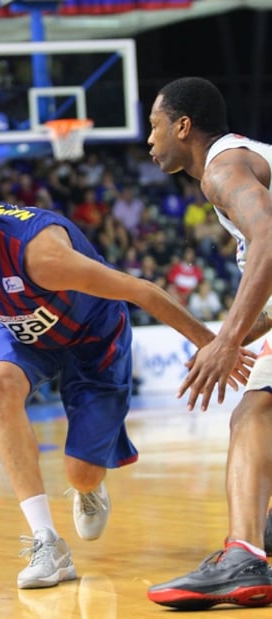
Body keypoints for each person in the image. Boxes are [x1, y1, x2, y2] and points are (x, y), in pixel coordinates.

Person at [0, 163, 252, 591]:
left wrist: (214, 343)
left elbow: (140, 290)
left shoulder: (42, 256)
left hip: (92, 338)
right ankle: (46, 542)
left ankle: (88, 486)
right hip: (25, 334)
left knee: (81, 473)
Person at [146, 76, 272, 609]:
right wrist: (230, 337)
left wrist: (229, 340)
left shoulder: (222, 168)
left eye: (154, 127)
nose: (149, 141)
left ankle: (243, 553)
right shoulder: (244, 161)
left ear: (183, 126)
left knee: (254, 411)